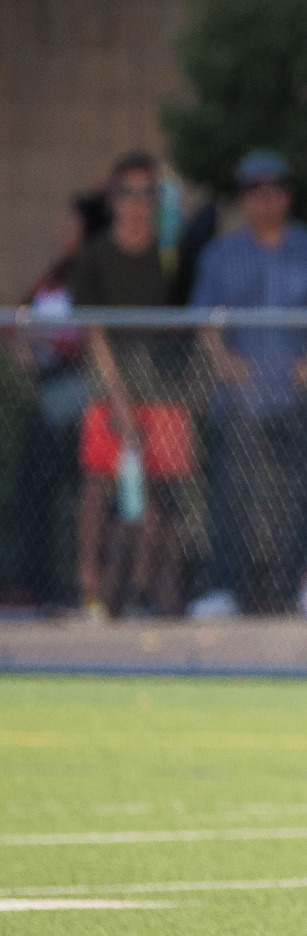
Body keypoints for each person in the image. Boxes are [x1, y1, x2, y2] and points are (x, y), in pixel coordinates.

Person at [185, 151, 307, 620]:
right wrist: (223, 362)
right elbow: (204, 318)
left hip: (299, 394)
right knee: (230, 497)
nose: (264, 199)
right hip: (240, 397)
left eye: (273, 190)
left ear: (288, 195)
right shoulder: (221, 253)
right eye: (254, 191)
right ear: (243, 199)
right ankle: (222, 590)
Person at [70, 150, 190, 620]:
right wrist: (117, 395)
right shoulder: (94, 256)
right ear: (113, 198)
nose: (137, 202)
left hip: (164, 393)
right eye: (128, 192)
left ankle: (150, 589)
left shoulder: (170, 254)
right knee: (99, 489)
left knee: (161, 497)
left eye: (147, 193)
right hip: (109, 391)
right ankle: (90, 587)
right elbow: (93, 332)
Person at [5, 192, 105, 612]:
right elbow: (20, 319)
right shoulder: (55, 274)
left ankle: (75, 589)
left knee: (85, 494)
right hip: (48, 390)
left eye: (71, 224)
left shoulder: (93, 271)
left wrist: (47, 340)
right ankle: (32, 586)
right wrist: (27, 344)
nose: (62, 231)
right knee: (34, 491)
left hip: (80, 393)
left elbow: (86, 337)